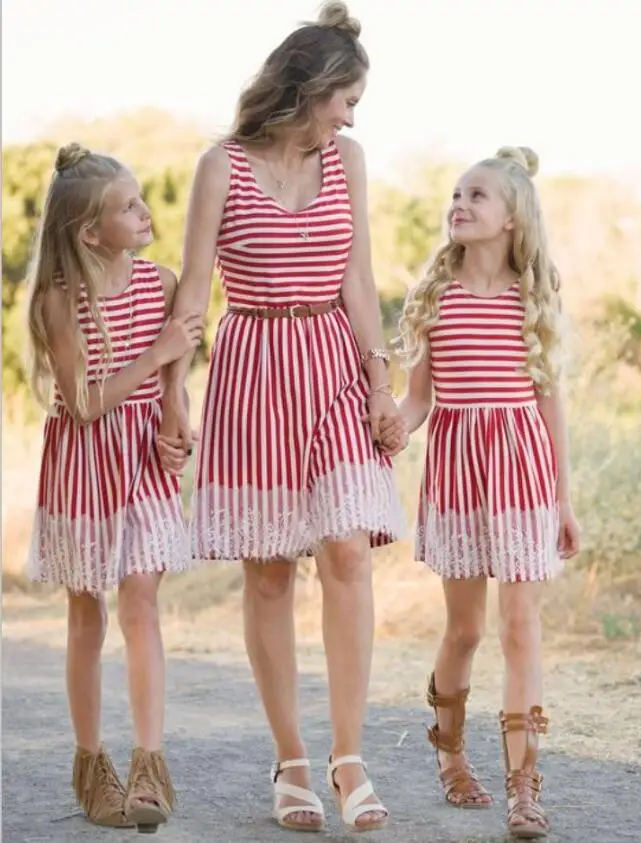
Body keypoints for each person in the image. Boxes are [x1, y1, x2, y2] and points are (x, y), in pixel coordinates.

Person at [157, 1, 404, 832]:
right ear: (310, 86)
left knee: (346, 550)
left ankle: (348, 757)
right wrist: (172, 389)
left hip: (334, 362)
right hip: (254, 368)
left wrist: (379, 381)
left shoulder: (349, 162)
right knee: (267, 570)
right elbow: (193, 292)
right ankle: (290, 759)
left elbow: (360, 281)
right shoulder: (220, 165)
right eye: (346, 100)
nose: (351, 117)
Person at [381, 146, 580, 840]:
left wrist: (562, 497)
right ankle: (450, 753)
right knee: (464, 629)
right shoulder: (434, 293)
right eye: (456, 194)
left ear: (511, 220)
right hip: (459, 471)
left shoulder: (536, 291)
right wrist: (392, 430)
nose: (459, 204)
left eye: (477, 196)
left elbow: (548, 398)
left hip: (521, 468)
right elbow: (417, 400)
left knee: (519, 626)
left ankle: (522, 788)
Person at [25, 143, 203, 833]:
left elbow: (172, 381)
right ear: (91, 232)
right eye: (128, 206)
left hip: (141, 462)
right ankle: (91, 760)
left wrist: (174, 421)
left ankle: (149, 763)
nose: (145, 211)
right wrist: (156, 354)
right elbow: (85, 403)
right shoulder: (58, 301)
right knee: (86, 610)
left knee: (142, 600)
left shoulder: (159, 282)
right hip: (86, 460)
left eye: (140, 199)